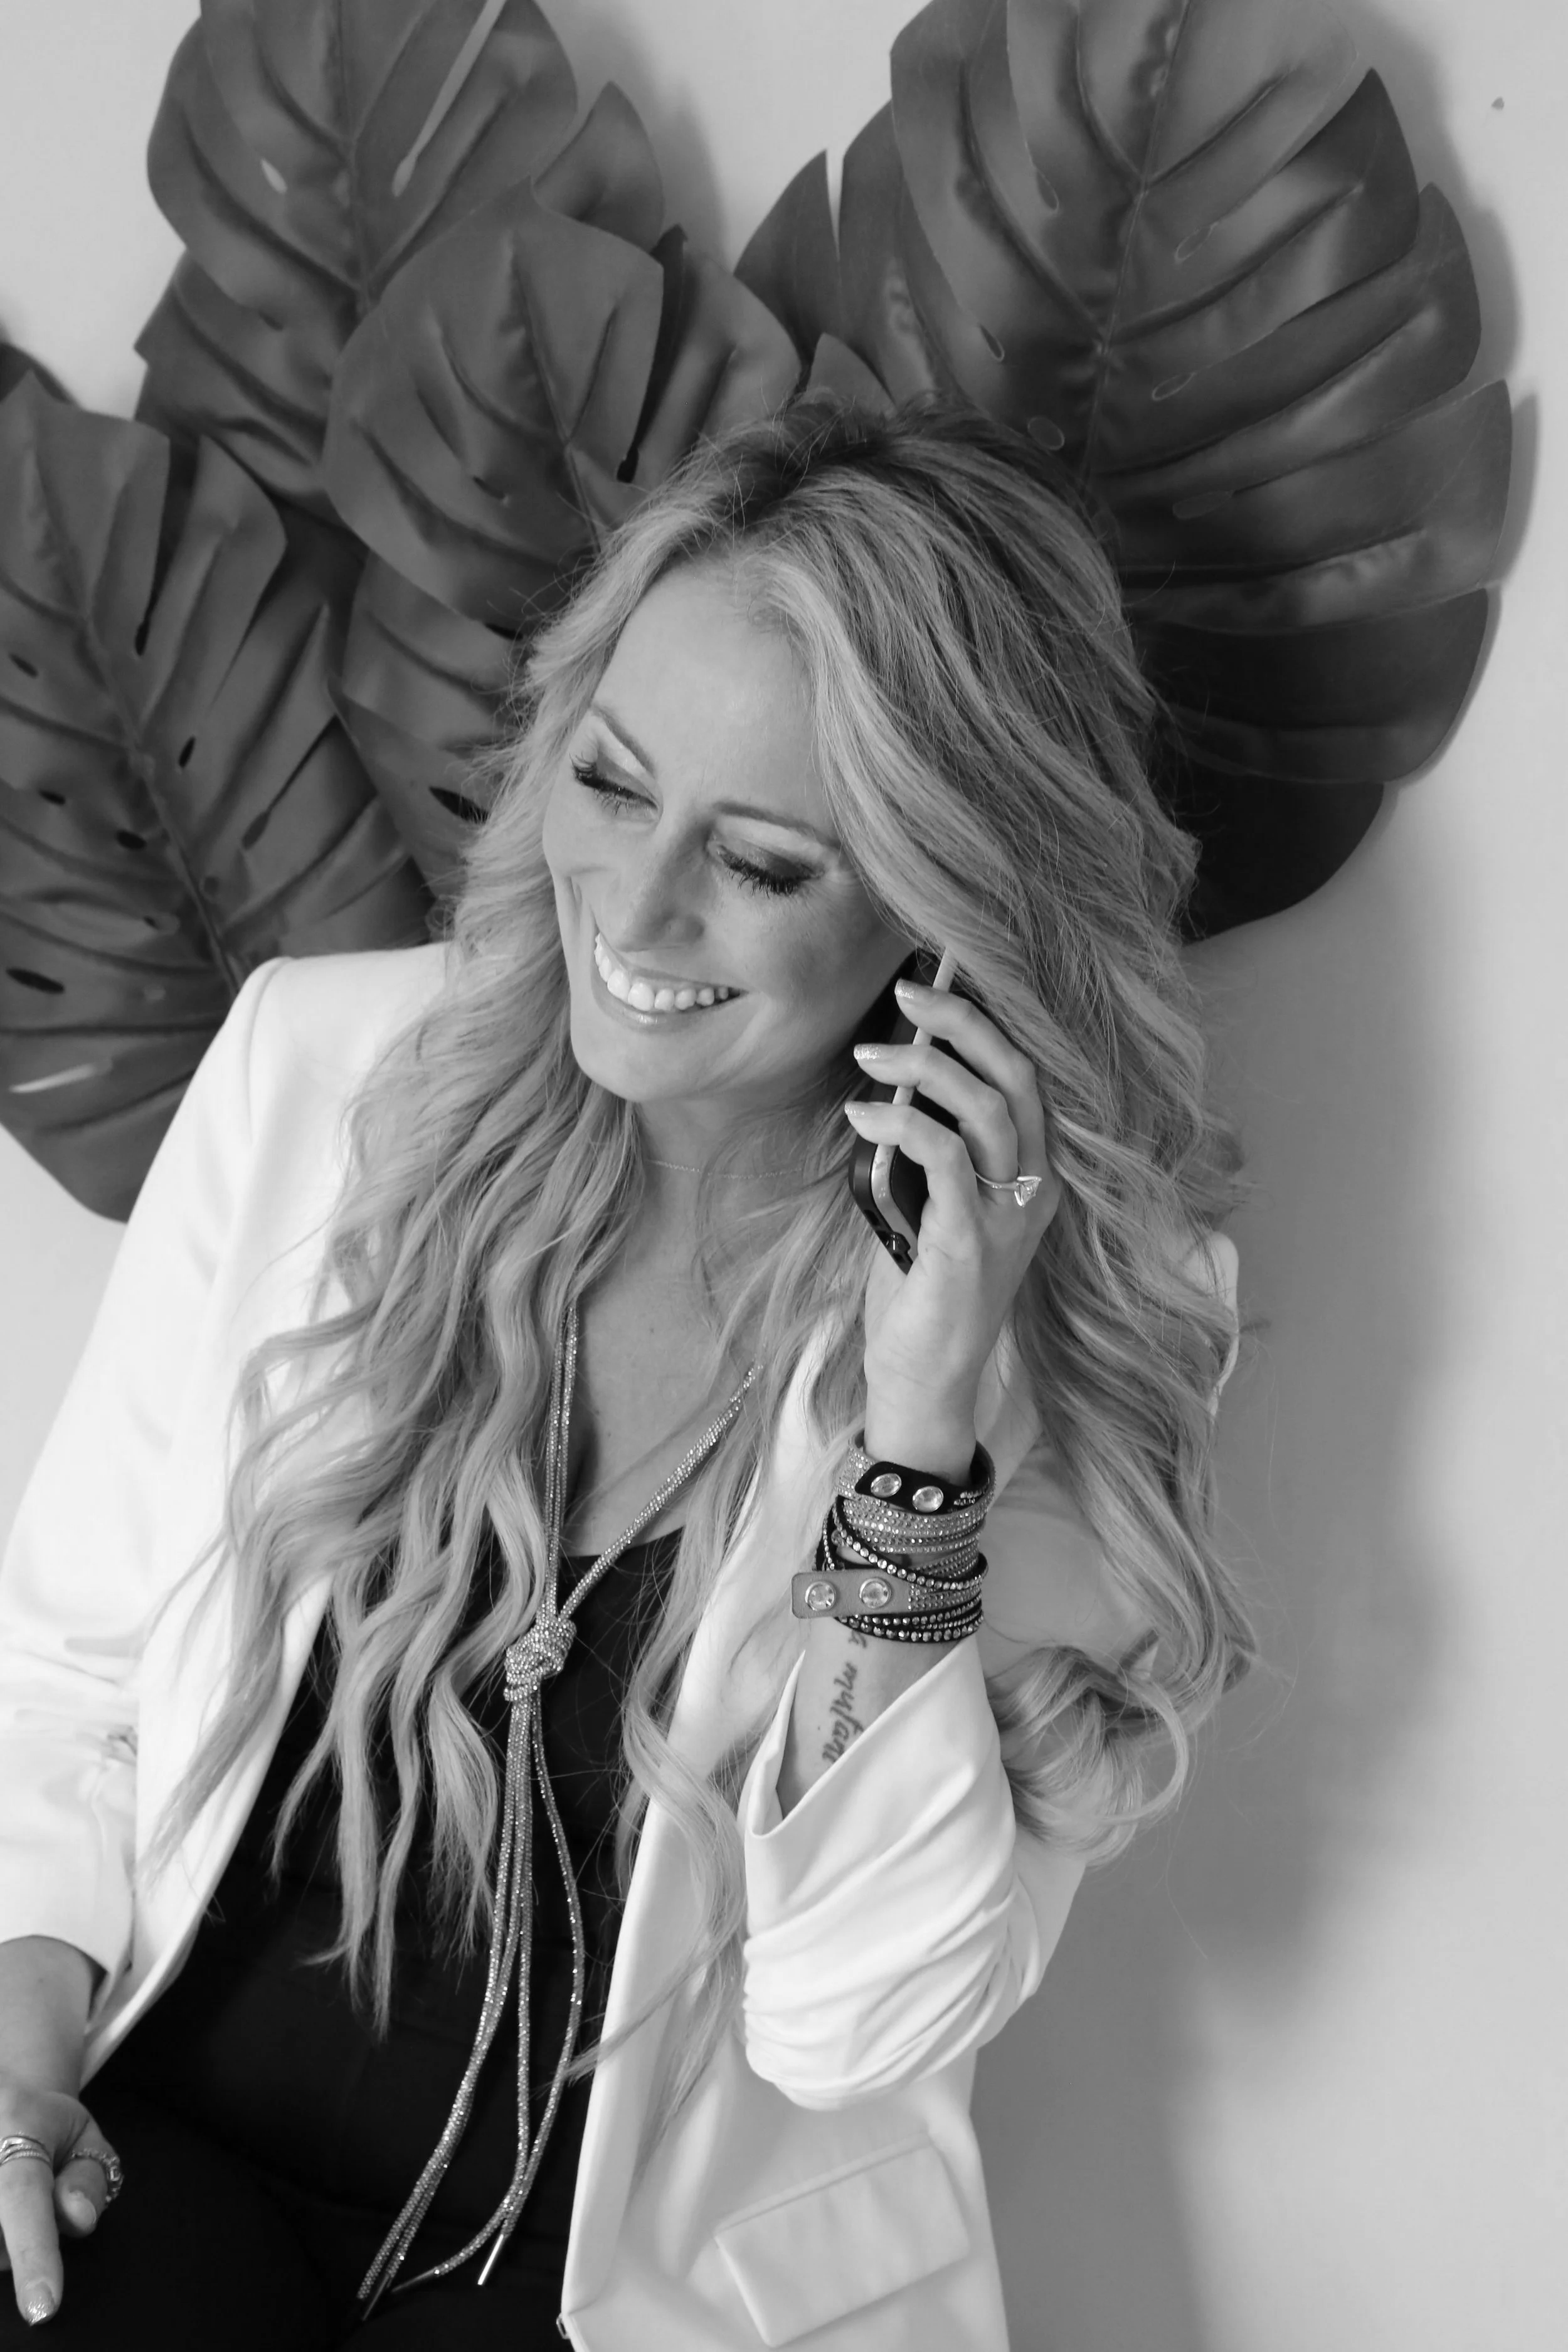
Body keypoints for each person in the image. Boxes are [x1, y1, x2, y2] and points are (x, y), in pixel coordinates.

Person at [0, 397, 1248, 2349]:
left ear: (943, 907)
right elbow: (71, 1671)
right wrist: (16, 2040)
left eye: (759, 860)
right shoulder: (319, 1073)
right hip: (162, 2182)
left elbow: (857, 2021)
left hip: (616, 2300)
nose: (638, 908)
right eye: (609, 778)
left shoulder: (1064, 1313)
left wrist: (918, 1426)